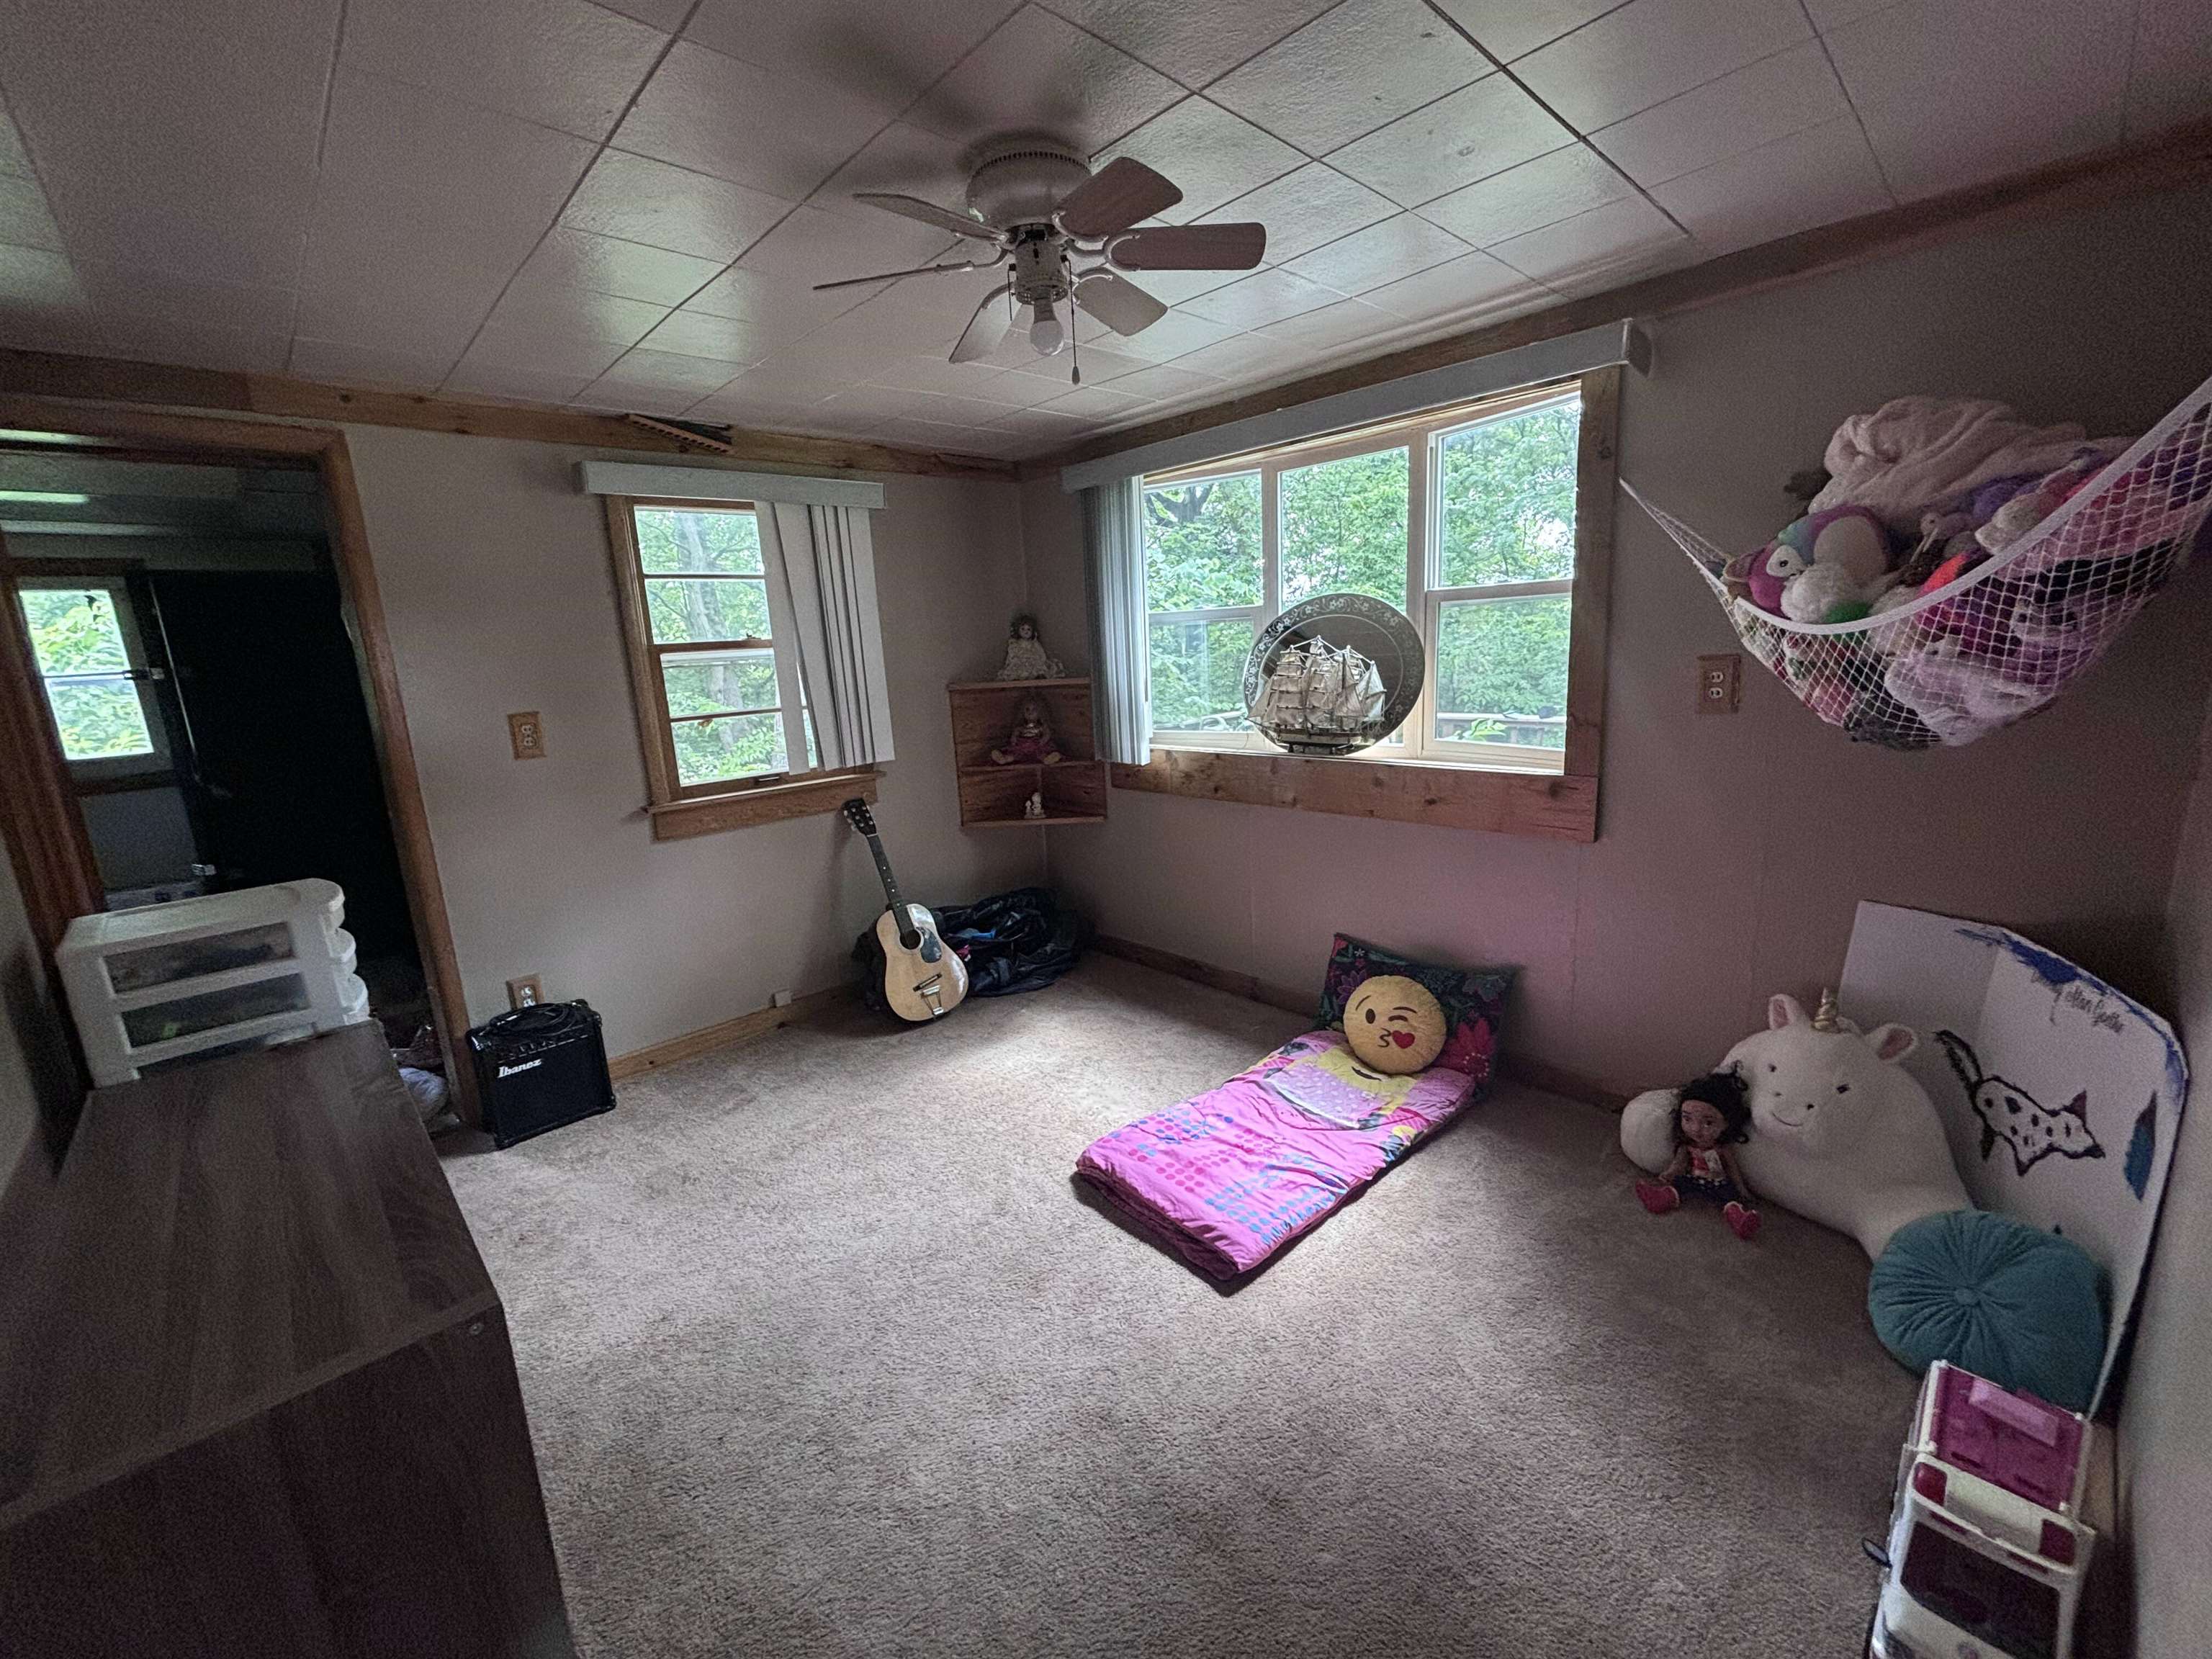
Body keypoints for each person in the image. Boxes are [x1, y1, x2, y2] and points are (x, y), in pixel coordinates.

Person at [1635, 1070, 1762, 1241]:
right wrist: (1668, 1174)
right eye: (1687, 1119)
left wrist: (1742, 1189)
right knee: (1680, 1184)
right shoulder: (1688, 1147)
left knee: (1729, 1196)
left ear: (1727, 1124)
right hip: (1694, 1178)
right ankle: (1662, 1197)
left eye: (1708, 1123)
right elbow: (1679, 1164)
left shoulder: (1722, 1149)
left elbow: (1732, 1169)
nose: (1695, 1129)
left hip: (1719, 1182)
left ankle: (1738, 1217)